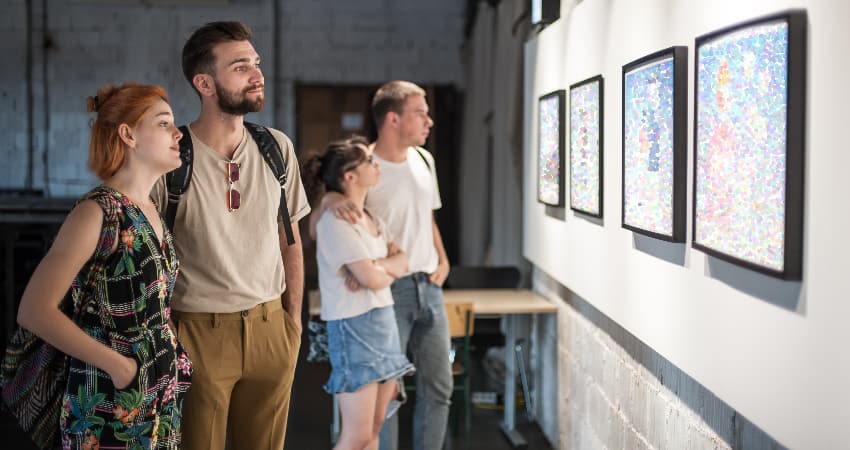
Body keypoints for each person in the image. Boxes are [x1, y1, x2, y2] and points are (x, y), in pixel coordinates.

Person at [150, 21, 310, 450]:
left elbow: (289, 239)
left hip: (271, 328)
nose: (257, 74)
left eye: (255, 63)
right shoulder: (170, 156)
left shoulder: (277, 147)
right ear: (204, 82)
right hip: (196, 333)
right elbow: (146, 257)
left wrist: (292, 324)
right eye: (240, 67)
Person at [14, 82, 191, 449]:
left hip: (158, 394)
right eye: (163, 123)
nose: (177, 133)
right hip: (107, 398)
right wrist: (119, 367)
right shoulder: (98, 211)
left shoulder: (151, 209)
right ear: (128, 134)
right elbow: (34, 311)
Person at [310, 81, 452, 450]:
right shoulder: (364, 165)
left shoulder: (425, 161)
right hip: (391, 291)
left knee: (439, 387)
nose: (429, 121)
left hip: (428, 284)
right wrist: (327, 201)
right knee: (383, 401)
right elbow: (323, 220)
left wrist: (443, 258)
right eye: (420, 112)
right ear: (393, 118)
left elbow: (427, 218)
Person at [305, 135, 415, 450]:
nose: (375, 164)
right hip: (354, 327)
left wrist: (378, 266)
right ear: (349, 177)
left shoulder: (371, 217)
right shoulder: (334, 221)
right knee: (356, 436)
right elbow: (371, 278)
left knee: (374, 429)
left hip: (382, 322)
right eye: (367, 160)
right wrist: (378, 270)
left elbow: (401, 260)